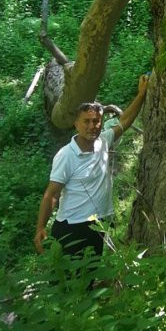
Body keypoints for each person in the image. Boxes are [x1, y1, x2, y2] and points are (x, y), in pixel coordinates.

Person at [34, 73, 150, 265]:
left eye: (96, 121)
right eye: (86, 121)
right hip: (72, 227)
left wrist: (141, 94)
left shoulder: (103, 141)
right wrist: (40, 228)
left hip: (97, 224)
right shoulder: (66, 155)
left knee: (89, 278)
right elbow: (51, 195)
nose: (92, 126)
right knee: (68, 283)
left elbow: (125, 120)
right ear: (76, 124)